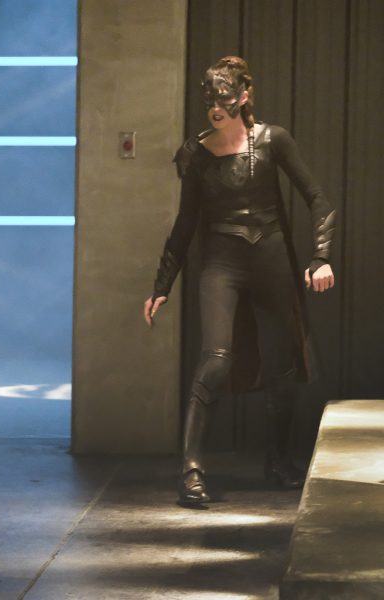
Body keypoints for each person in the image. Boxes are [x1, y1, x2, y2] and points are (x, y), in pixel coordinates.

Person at [143, 56, 335, 505]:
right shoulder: (196, 154)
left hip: (272, 260)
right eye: (210, 98)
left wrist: (321, 256)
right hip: (222, 263)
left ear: (244, 97)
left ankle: (278, 461)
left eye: (225, 98)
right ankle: (191, 470)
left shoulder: (272, 140)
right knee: (216, 360)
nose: (216, 107)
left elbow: (318, 198)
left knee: (283, 366)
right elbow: (185, 224)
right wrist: (161, 285)